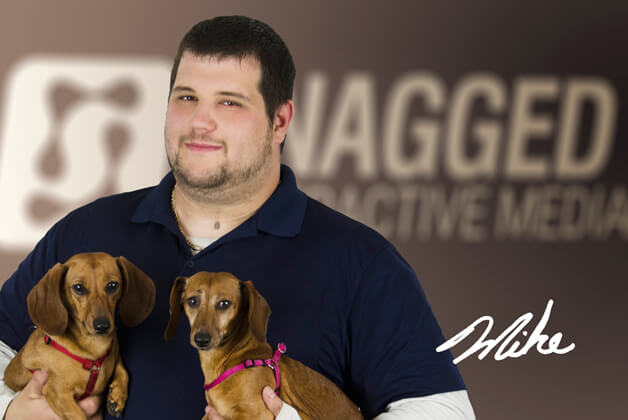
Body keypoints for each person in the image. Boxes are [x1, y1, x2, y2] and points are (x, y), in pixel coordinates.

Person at [0, 15, 475, 419]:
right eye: (186, 97)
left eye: (229, 102)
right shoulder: (87, 232)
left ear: (280, 121)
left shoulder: (361, 262)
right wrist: (9, 409)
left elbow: (444, 413)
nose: (200, 122)